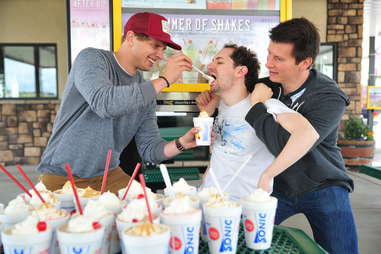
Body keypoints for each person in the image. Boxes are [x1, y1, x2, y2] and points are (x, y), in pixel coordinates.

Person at [37, 12, 199, 193]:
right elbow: (105, 103)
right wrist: (164, 80)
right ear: (131, 37)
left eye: (163, 49)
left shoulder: (145, 90)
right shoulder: (91, 59)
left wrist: (182, 143)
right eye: (155, 46)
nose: (160, 55)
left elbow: (150, 149)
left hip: (109, 175)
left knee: (150, 212)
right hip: (63, 176)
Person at [244, 18, 357, 254]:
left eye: (278, 59)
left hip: (323, 184)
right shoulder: (267, 85)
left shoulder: (329, 98)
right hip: (278, 185)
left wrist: (257, 107)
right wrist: (211, 100)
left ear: (304, 62)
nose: (268, 63)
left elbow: (283, 145)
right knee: (243, 239)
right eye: (269, 54)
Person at [197, 44, 319, 201]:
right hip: (208, 199)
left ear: (241, 71)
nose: (209, 66)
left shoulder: (265, 104)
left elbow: (308, 134)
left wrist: (269, 174)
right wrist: (205, 113)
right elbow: (222, 152)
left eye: (219, 62)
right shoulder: (221, 106)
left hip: (244, 208)